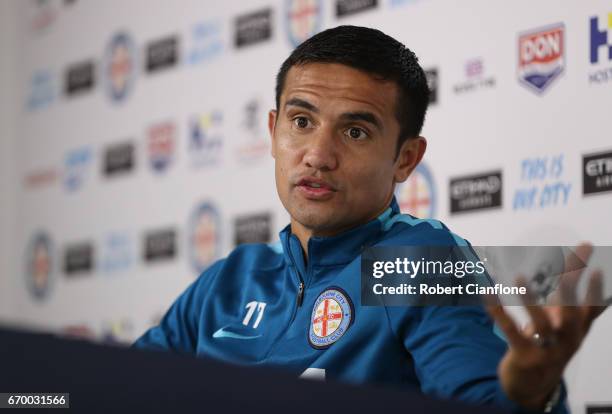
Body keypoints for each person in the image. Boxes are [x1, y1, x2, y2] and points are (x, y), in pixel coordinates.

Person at [134, 26, 606, 413]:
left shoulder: (416, 263)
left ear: (405, 159)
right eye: (301, 122)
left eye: (355, 131)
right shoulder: (229, 281)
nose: (318, 156)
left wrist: (529, 396)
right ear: (273, 130)